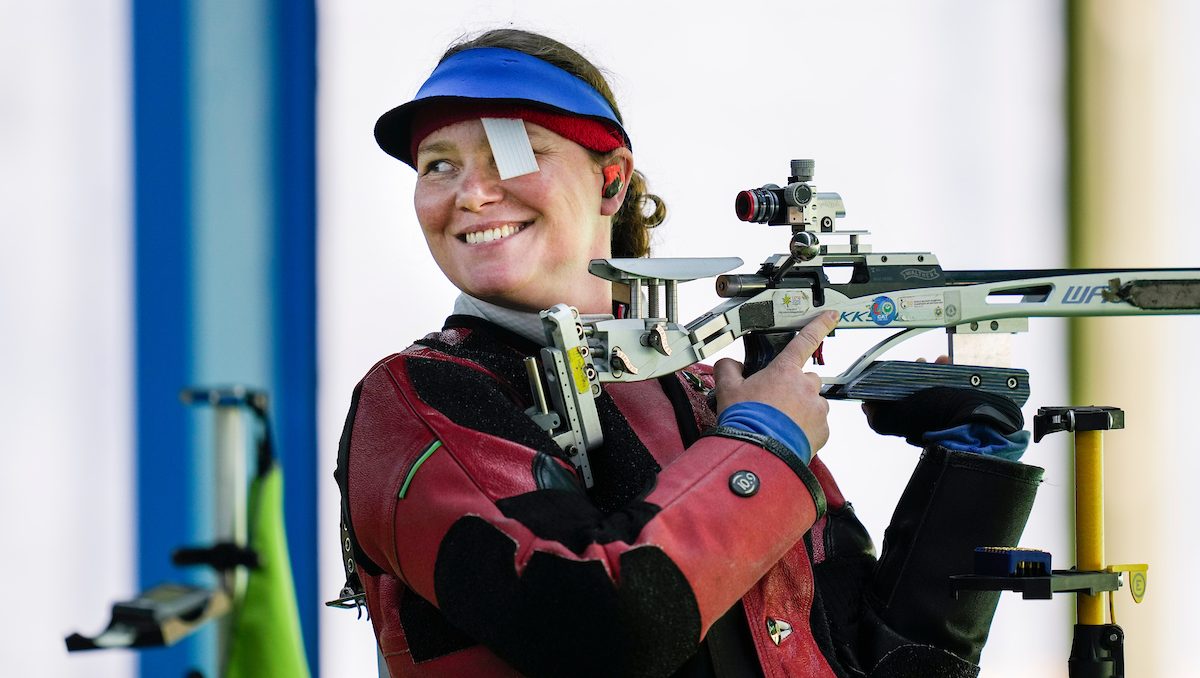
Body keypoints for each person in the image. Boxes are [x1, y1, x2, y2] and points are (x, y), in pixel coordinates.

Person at [333, 28, 1043, 678]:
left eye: (514, 154)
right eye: (438, 165)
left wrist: (968, 478)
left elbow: (887, 663)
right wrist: (761, 449)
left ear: (611, 180)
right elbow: (600, 630)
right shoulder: (419, 397)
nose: (472, 193)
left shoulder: (716, 397)